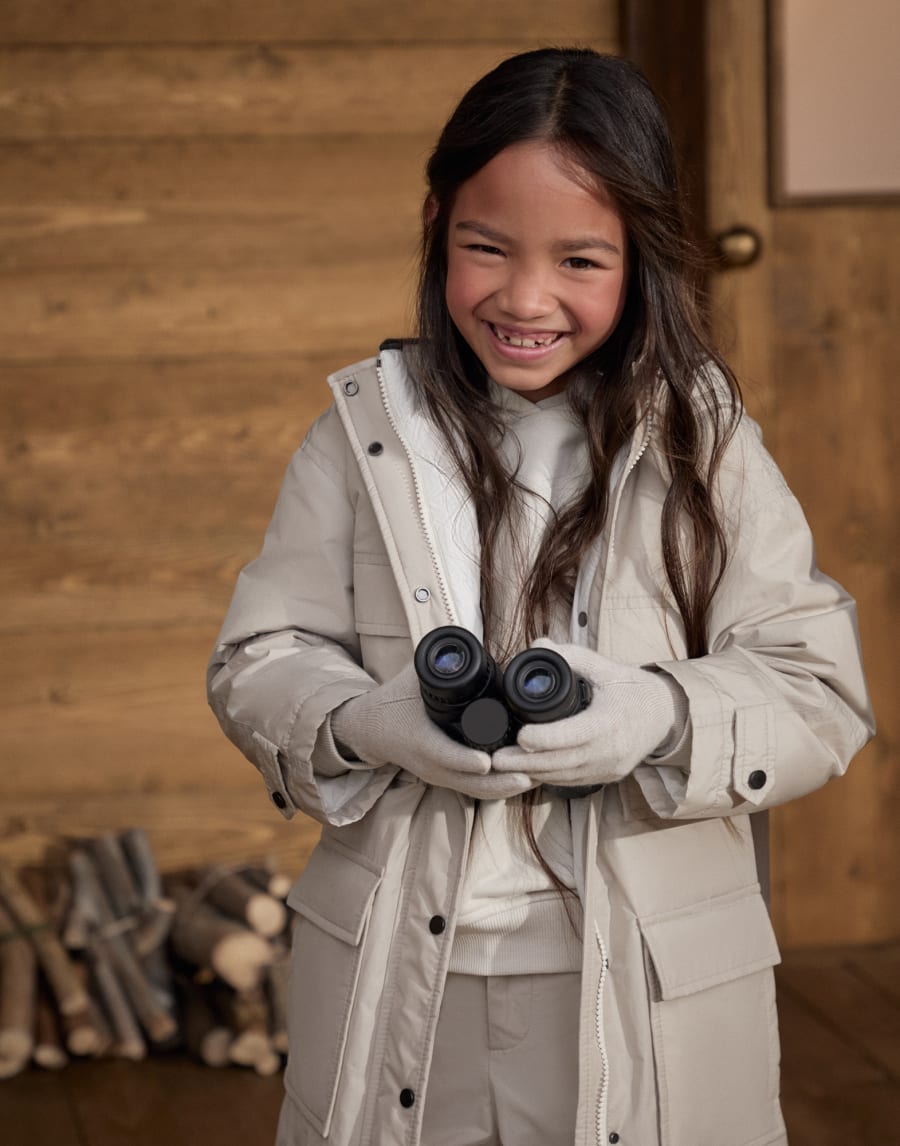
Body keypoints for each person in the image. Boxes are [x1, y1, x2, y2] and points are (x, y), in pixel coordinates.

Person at [207, 48, 874, 1146]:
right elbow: (259, 656)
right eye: (485, 248)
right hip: (403, 979)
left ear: (643, 257)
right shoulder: (364, 436)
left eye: (579, 259)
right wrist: (364, 718)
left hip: (646, 986)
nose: (525, 298)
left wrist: (658, 713)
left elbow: (817, 690)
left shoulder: (706, 445)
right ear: (435, 223)